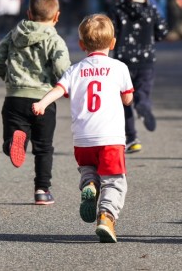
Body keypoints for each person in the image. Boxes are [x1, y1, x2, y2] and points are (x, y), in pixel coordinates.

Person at [32, 14, 135, 243]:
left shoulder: (75, 70)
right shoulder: (119, 67)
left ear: (81, 45)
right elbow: (128, 99)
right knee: (114, 181)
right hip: (110, 137)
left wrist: (41, 103)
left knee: (89, 167)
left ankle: (89, 183)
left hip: (83, 138)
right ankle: (107, 217)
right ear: (113, 43)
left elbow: (59, 90)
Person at [0, 0, 71, 206]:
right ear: (56, 16)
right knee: (44, 147)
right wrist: (63, 88)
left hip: (15, 98)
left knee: (13, 138)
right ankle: (42, 190)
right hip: (44, 99)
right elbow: (63, 68)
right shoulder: (55, 40)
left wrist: (9, 78)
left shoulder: (15, 33)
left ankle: (15, 141)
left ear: (29, 13)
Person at [111, 0, 169, 153]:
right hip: (146, 60)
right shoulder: (150, 8)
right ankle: (143, 103)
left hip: (122, 62)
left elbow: (111, 32)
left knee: (124, 100)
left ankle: (132, 138)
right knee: (142, 90)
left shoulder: (118, 8)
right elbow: (162, 31)